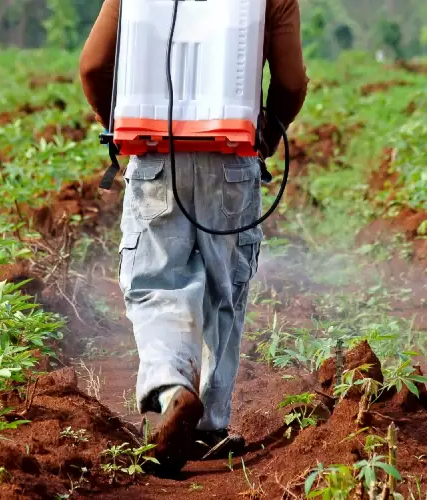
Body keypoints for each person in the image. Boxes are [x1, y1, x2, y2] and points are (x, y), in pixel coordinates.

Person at [79, 0, 308, 476]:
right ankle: (209, 425)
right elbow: (290, 82)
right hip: (231, 156)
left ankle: (170, 387)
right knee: (225, 291)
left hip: (155, 151)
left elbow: (94, 65)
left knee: (155, 282)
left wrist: (116, 126)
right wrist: (267, 133)